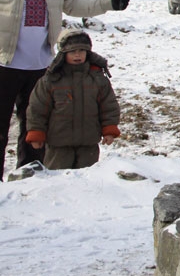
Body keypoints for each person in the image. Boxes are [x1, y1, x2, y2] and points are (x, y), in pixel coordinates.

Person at [0, 0, 129, 180]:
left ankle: (29, 181)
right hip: (3, 61)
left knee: (36, 129)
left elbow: (72, 3)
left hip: (41, 63)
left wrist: (108, 2)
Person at [25, 28, 120, 170]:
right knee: (57, 181)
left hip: (88, 144)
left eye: (82, 51)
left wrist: (109, 130)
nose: (77, 55)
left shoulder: (98, 79)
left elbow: (109, 106)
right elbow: (37, 109)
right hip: (58, 144)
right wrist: (36, 133)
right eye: (72, 51)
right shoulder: (51, 80)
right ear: (63, 53)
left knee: (87, 179)